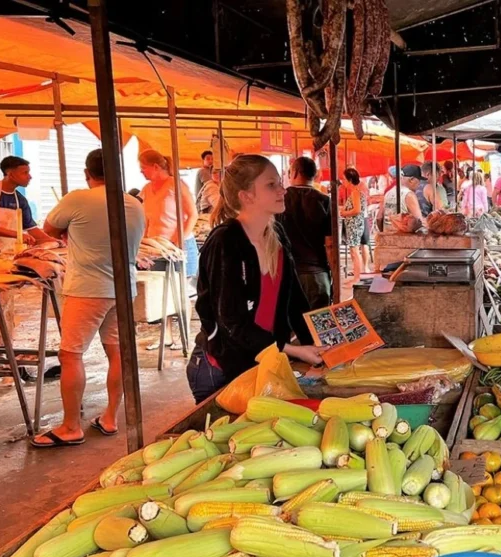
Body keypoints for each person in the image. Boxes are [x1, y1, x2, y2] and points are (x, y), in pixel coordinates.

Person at [30, 149, 145, 447]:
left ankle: (70, 427)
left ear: (87, 173)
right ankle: (110, 417)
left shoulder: (78, 198)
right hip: (123, 288)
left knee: (70, 354)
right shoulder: (134, 203)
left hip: (87, 289)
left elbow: (49, 230)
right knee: (117, 351)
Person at [188, 155, 325, 402]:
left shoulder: (277, 235)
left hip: (262, 361)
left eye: (279, 182)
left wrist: (318, 346)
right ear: (246, 196)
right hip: (222, 368)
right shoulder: (225, 242)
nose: (282, 190)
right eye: (271, 185)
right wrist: (293, 350)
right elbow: (232, 322)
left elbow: (296, 303)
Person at [138, 149, 200, 350]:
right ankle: (166, 335)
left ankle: (185, 336)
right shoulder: (147, 189)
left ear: (156, 167)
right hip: (156, 248)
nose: (142, 172)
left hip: (179, 246)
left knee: (180, 292)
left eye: (144, 168)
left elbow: (192, 216)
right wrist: (145, 243)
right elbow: (146, 220)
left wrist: (176, 242)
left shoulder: (177, 185)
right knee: (160, 294)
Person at [0, 156, 58, 252]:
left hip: (7, 251)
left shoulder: (21, 200)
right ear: (11, 175)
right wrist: (18, 235)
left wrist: (53, 240)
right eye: (25, 173)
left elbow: (32, 228)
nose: (30, 177)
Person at [280, 156, 333, 309]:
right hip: (317, 276)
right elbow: (330, 245)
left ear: (294, 172)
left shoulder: (280, 199)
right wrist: (334, 277)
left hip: (287, 274)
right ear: (314, 175)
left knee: (290, 329)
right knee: (318, 328)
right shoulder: (324, 200)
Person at [340, 167, 367, 286]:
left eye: (344, 179)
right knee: (353, 251)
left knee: (355, 252)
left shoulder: (356, 192)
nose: (343, 182)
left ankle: (357, 278)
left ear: (350, 180)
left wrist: (344, 213)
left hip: (355, 225)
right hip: (354, 225)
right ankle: (356, 276)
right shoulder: (355, 192)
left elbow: (357, 210)